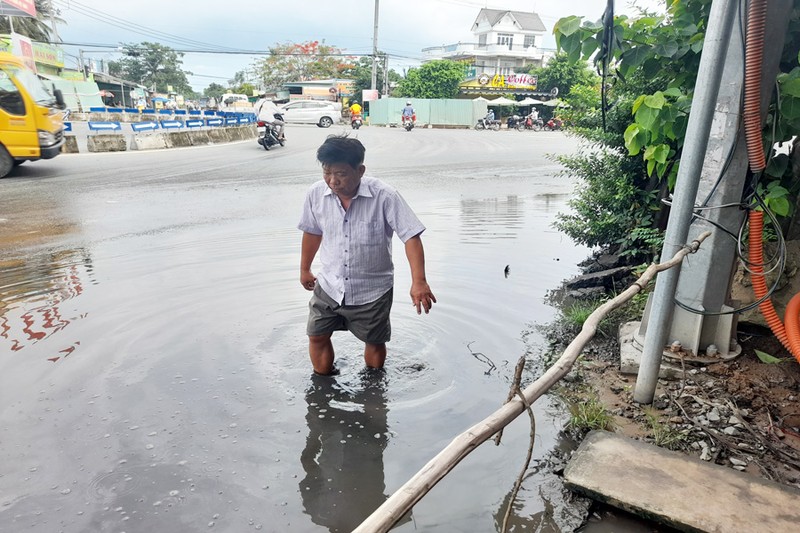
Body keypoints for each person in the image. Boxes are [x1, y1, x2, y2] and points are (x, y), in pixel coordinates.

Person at [298, 135, 436, 376]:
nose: (332, 181)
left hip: (372, 289)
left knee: (374, 341)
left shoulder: (385, 196)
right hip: (329, 284)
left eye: (340, 173)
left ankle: (373, 385)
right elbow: (312, 232)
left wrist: (419, 282)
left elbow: (411, 236)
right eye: (326, 173)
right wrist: (304, 269)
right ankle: (324, 381)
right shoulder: (315, 194)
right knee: (317, 334)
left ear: (360, 170)